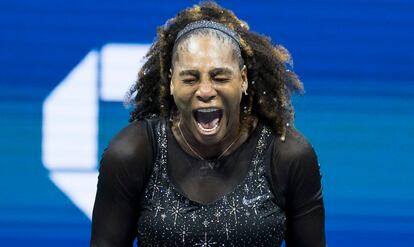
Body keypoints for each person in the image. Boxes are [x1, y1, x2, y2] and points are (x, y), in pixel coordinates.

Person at [90, 2, 325, 246]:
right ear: (171, 82)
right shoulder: (132, 154)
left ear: (243, 79)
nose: (205, 91)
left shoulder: (289, 156)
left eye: (219, 77)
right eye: (190, 78)